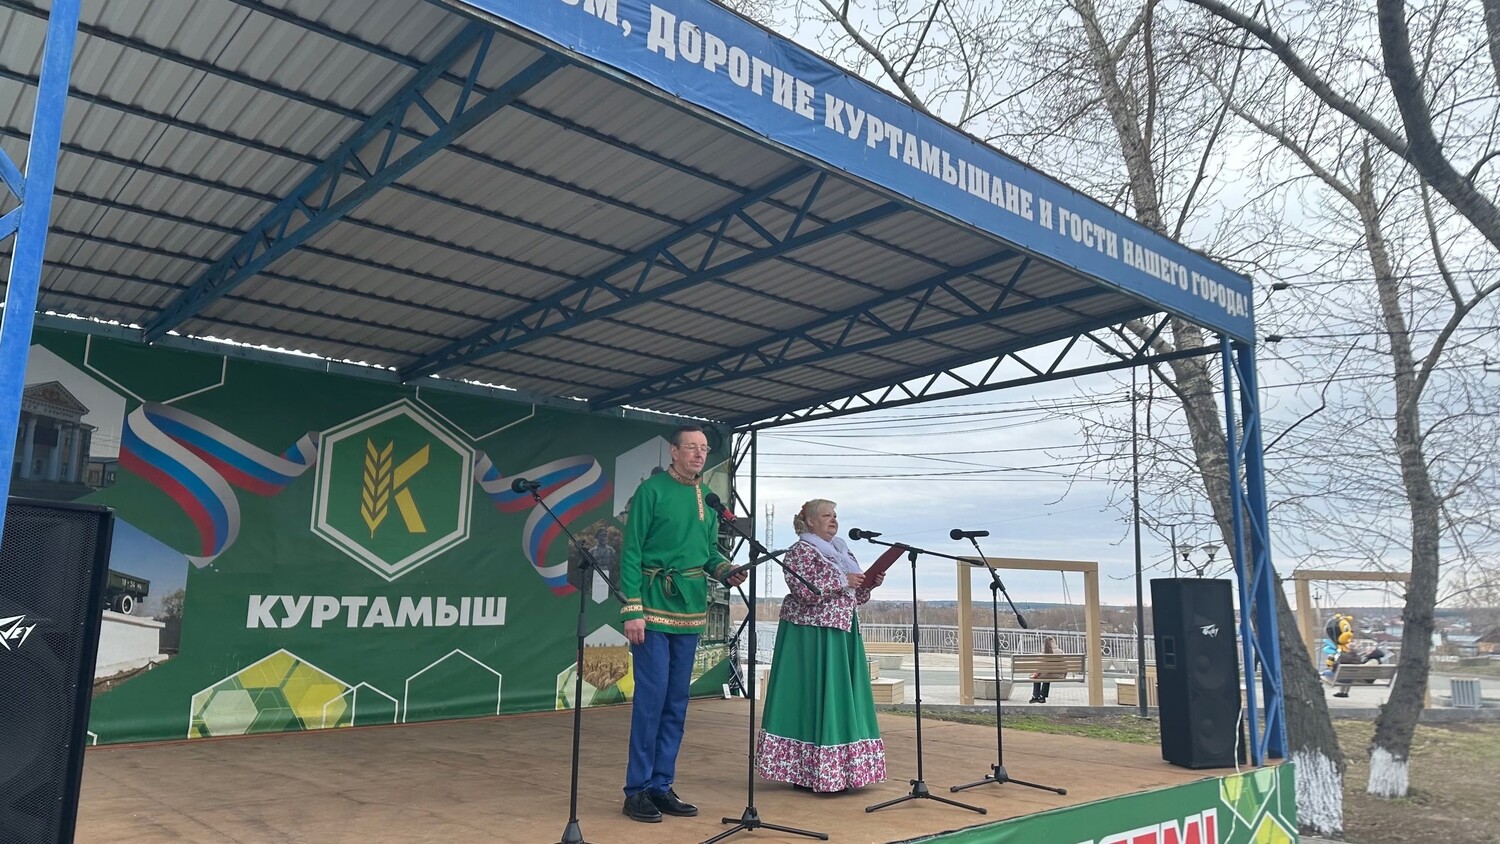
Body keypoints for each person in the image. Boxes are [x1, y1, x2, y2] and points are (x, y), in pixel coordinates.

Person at [618, 425, 748, 824]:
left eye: (704, 448)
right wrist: (632, 609)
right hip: (653, 607)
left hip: (690, 612)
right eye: (691, 447)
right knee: (652, 700)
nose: (699, 454)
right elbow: (631, 550)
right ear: (673, 452)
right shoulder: (651, 491)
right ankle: (637, 790)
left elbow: (707, 553)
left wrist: (726, 570)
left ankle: (661, 785)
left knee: (676, 702)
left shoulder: (706, 498)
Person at [755, 498, 887, 793]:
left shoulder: (841, 550)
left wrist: (868, 583)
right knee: (812, 696)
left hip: (841, 630)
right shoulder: (800, 551)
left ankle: (840, 770)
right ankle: (807, 771)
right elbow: (804, 591)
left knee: (839, 697)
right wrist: (843, 580)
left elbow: (854, 595)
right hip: (811, 633)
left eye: (835, 515)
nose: (833, 520)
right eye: (826, 515)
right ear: (810, 522)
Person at [1029, 636, 1062, 703]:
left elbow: (1040, 667)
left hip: (1047, 674)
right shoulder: (1060, 652)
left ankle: (1036, 696)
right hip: (1058, 675)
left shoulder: (1043, 653)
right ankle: (1042, 696)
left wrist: (1036, 674)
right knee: (1047, 674)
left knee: (1039, 676)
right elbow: (1064, 665)